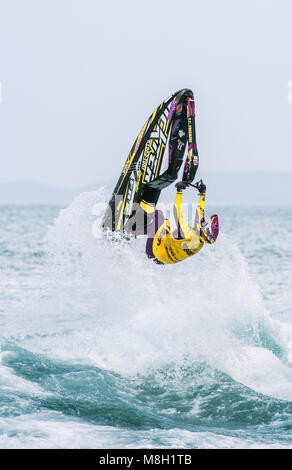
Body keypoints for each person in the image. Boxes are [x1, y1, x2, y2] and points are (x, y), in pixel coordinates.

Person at [125, 179, 219, 265]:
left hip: (154, 253)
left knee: (160, 217)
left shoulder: (188, 234)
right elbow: (200, 211)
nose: (204, 222)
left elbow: (176, 212)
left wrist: (179, 191)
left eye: (206, 224)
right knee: (167, 231)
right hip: (160, 260)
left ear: (205, 232)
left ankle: (140, 203)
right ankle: (134, 230)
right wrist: (203, 194)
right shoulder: (200, 239)